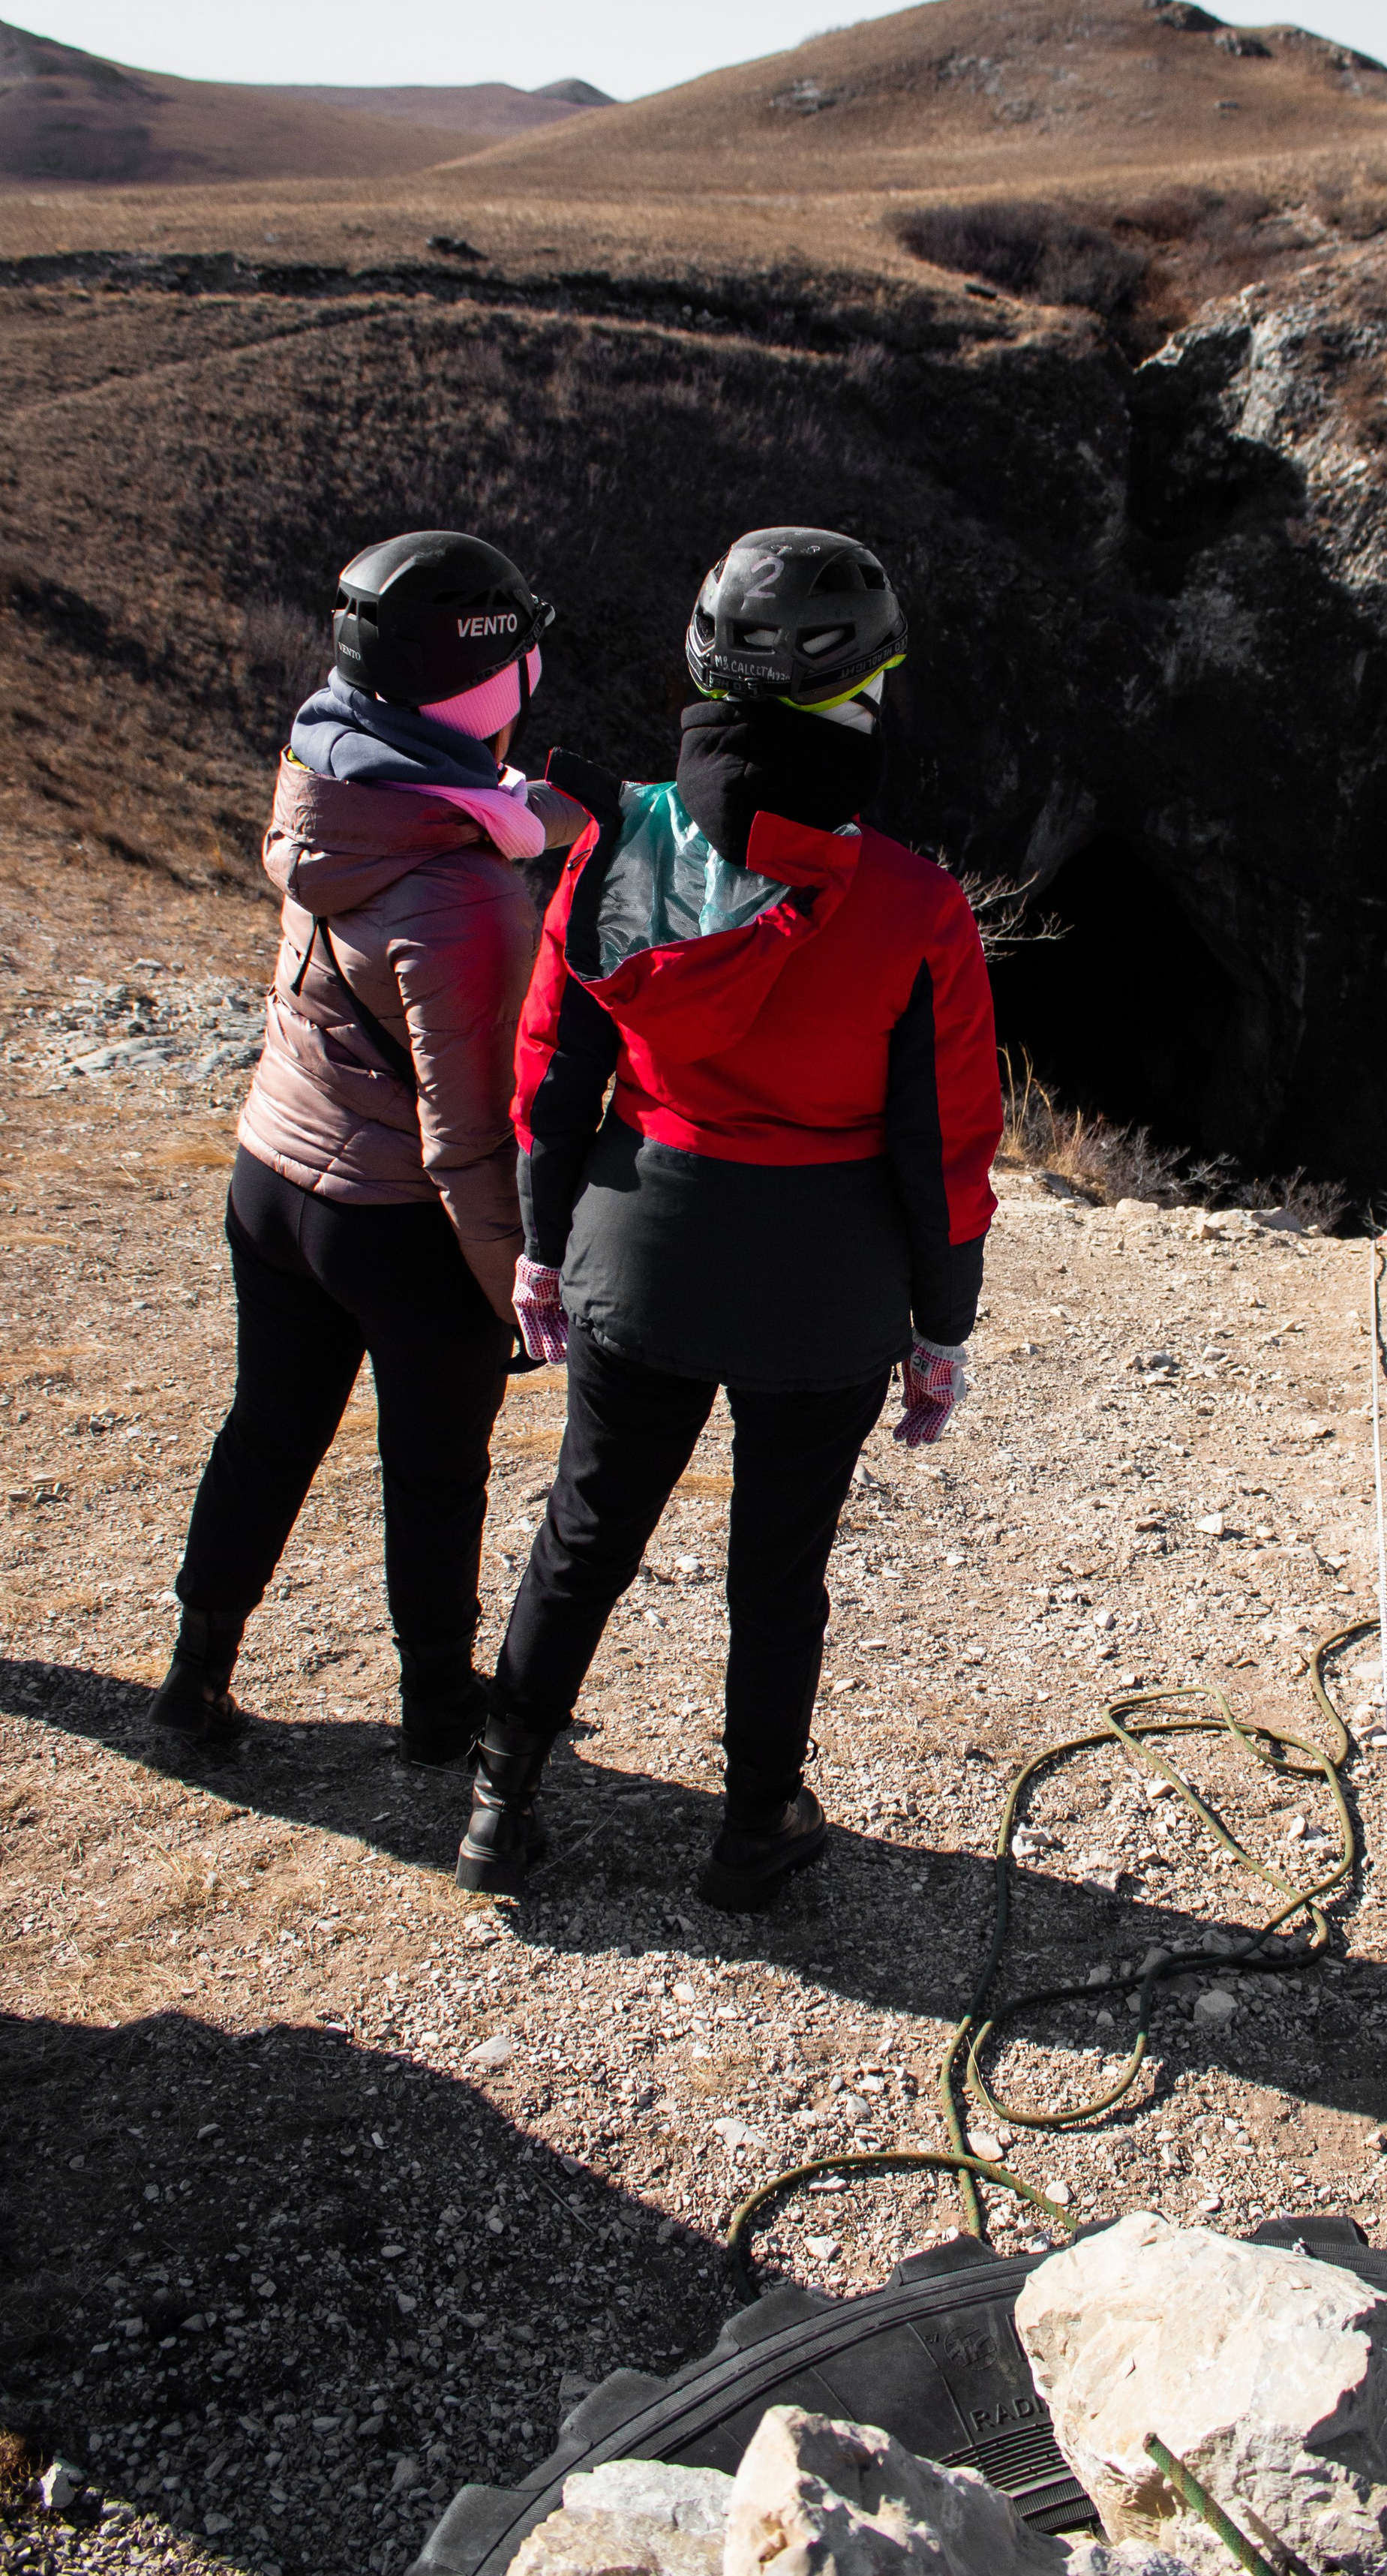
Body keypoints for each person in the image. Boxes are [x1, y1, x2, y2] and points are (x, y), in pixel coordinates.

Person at [453, 524, 1001, 1909]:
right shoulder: (916, 909)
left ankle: (498, 1805)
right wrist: (941, 1328)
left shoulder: (617, 841)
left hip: (640, 1239)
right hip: (825, 1281)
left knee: (587, 1529)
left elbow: (552, 1072)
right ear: (861, 695)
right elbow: (945, 1146)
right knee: (779, 1568)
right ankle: (753, 1832)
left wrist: (538, 1240)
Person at [154, 531, 587, 1759]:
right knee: (434, 1470)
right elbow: (461, 1142)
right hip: (394, 1215)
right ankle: (440, 1711)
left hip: (272, 1174)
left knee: (268, 1429)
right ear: (493, 676)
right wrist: (517, 1280)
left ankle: (194, 1681)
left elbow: (458, 819)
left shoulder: (333, 789)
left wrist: (538, 819)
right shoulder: (462, 899)